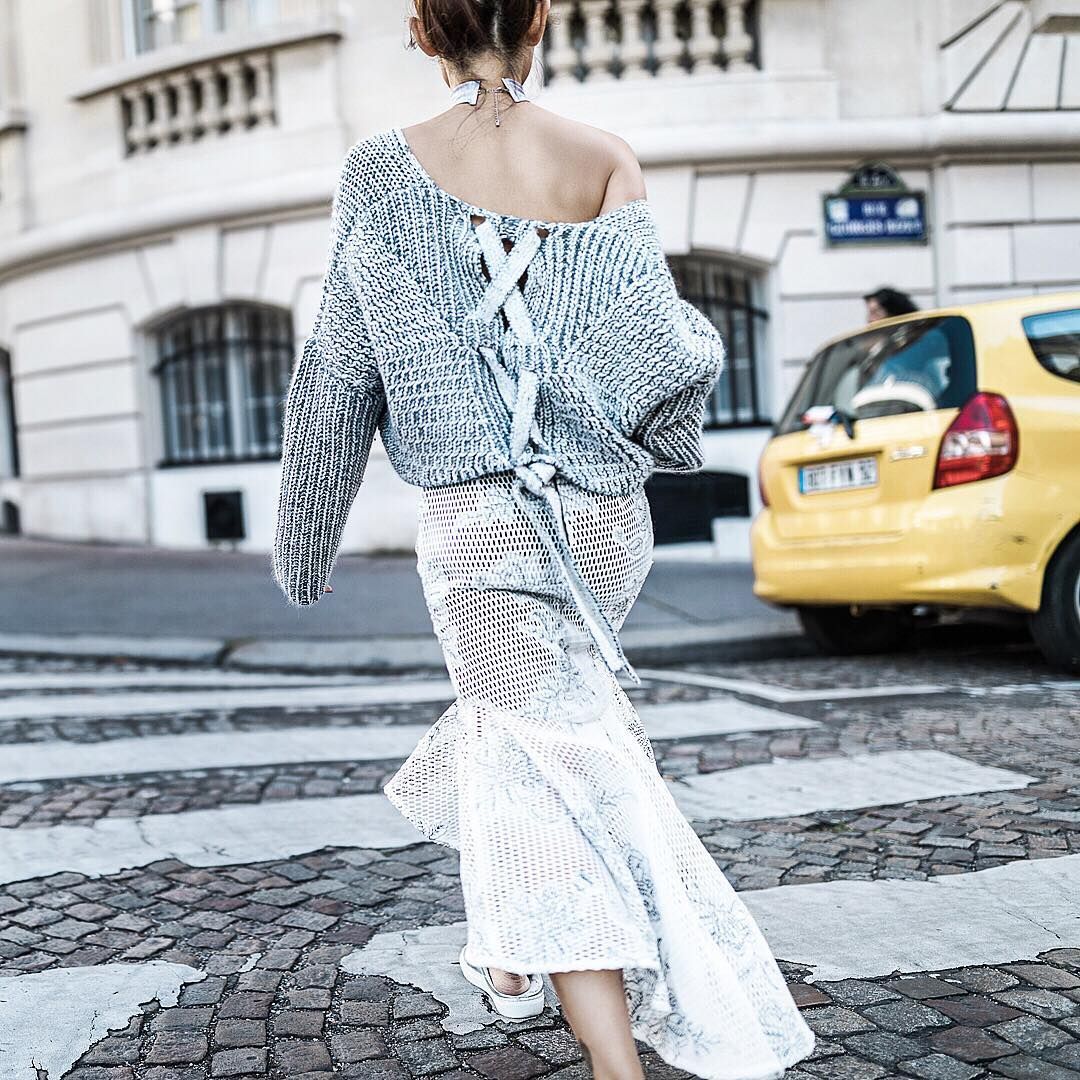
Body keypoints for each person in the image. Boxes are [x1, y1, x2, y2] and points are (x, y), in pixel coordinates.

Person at [272, 3, 815, 1077]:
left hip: (479, 526)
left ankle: (610, 1048)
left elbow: (339, 365)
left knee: (539, 769)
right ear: (541, 20)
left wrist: (306, 536)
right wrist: (653, 429)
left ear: (423, 32)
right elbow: (665, 355)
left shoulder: (379, 172)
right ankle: (510, 943)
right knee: (539, 739)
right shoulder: (604, 158)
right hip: (602, 521)